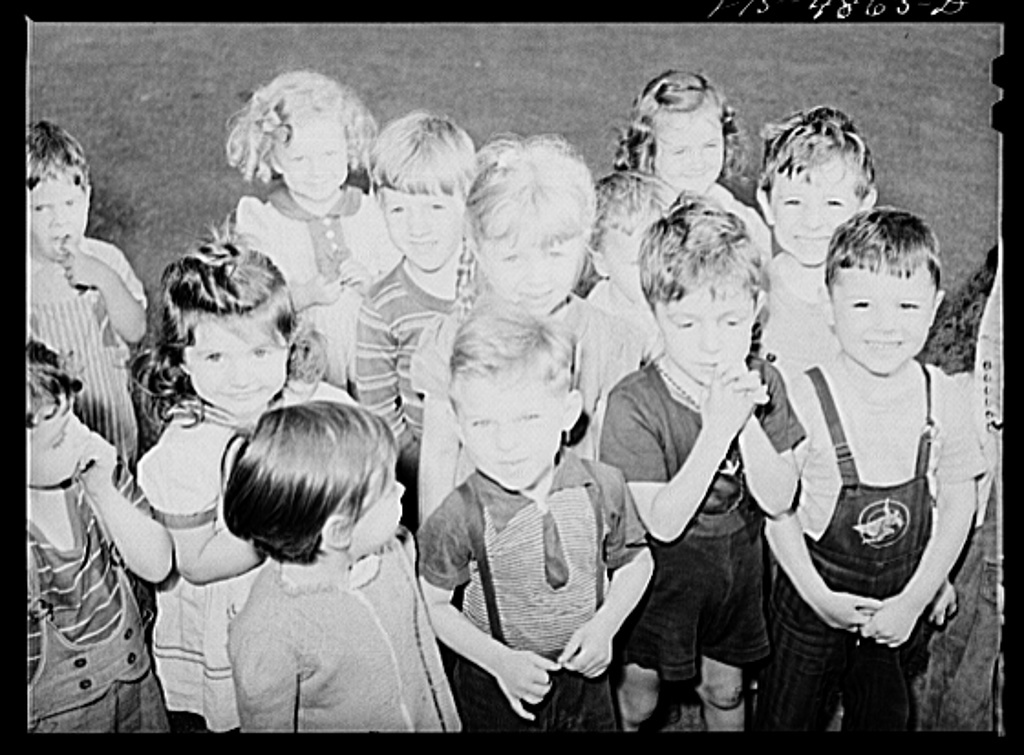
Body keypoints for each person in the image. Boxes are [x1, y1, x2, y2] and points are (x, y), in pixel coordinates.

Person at [753, 208, 988, 731]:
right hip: (812, 596)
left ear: (935, 308)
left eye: (907, 306)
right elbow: (777, 515)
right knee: (786, 718)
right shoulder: (804, 396)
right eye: (862, 304)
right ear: (829, 307)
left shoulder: (944, 397)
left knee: (883, 714)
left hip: (900, 601)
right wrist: (820, 599)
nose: (886, 325)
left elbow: (957, 503)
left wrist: (918, 595)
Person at [132, 230, 353, 733]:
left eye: (259, 353)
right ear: (180, 360)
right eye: (215, 358)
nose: (241, 378)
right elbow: (196, 562)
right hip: (231, 609)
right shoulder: (187, 452)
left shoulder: (299, 402)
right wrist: (286, 529)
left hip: (299, 599)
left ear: (287, 343)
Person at [600, 193, 805, 731]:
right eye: (687, 324)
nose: (712, 344)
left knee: (726, 690)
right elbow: (663, 523)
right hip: (658, 582)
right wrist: (717, 430)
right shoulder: (633, 403)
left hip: (735, 577)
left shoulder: (765, 381)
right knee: (638, 700)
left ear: (757, 309)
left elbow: (779, 498)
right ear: (656, 313)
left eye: (730, 321)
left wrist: (745, 419)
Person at [417, 301, 654, 731]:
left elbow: (638, 562)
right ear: (458, 425)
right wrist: (498, 661)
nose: (506, 443)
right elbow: (433, 604)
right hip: (495, 682)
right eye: (483, 423)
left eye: (527, 417)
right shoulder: (457, 514)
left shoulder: (603, 486)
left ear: (567, 413)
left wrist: (606, 625)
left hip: (585, 679)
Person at [411, 133, 646, 524]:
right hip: (480, 533)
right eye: (512, 257)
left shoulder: (611, 342)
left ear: (585, 242)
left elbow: (610, 461)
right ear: (478, 249)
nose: (536, 277)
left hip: (572, 530)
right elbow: (439, 454)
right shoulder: (451, 340)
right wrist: (435, 547)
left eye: (554, 253)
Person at [221, 401, 461, 732]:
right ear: (339, 531)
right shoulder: (267, 634)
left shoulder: (392, 551)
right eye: (387, 487)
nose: (402, 489)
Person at [27, 339, 172, 733]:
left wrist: (103, 492)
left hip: (134, 684)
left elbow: (158, 565)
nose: (82, 434)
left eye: (74, 416)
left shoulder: (96, 473)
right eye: (58, 438)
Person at [227, 70, 402, 390]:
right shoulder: (265, 224)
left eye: (329, 154)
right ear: (275, 160)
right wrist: (305, 295)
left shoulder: (370, 212)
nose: (317, 170)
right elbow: (253, 307)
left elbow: (402, 283)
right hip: (303, 366)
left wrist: (371, 284)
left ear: (349, 148)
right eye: (299, 159)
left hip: (372, 354)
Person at [355, 110, 476, 530]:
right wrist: (424, 468)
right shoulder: (381, 306)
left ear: (468, 200)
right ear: (379, 206)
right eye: (399, 210)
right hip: (424, 473)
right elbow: (379, 413)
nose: (417, 227)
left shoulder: (493, 278)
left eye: (435, 207)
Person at [912, 244, 1002, 731]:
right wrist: (938, 572)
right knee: (963, 675)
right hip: (977, 546)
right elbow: (940, 488)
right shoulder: (964, 384)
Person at [28, 120, 147, 472]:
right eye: (41, 208)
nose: (59, 220)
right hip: (54, 444)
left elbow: (136, 330)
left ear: (87, 198)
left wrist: (105, 279)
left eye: (69, 202)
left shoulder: (107, 259)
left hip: (114, 426)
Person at [754, 105, 878, 376]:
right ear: (766, 203)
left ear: (864, 206)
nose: (812, 222)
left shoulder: (878, 302)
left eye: (833, 203)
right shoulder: (749, 289)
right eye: (793, 202)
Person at [614, 70, 770, 265]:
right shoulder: (634, 218)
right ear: (648, 152)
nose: (697, 162)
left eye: (710, 146)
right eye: (680, 151)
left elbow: (767, 263)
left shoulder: (733, 212)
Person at [582, 170, 671, 362]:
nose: (653, 271)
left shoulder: (674, 291)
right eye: (637, 264)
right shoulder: (600, 314)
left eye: (661, 255)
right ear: (601, 263)